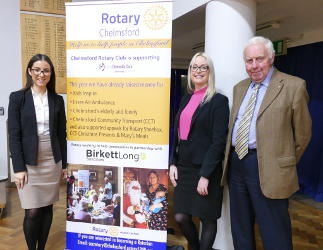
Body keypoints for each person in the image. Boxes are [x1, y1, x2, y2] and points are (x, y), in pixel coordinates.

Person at [221, 36, 312, 250]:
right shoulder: (240, 87)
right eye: (249, 60)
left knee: (274, 231)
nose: (254, 66)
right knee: (240, 228)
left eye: (259, 59)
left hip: (271, 168)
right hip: (237, 164)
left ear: (271, 58)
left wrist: (282, 162)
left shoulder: (293, 86)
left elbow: (303, 135)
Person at [169, 52, 229, 250]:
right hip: (184, 168)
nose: (198, 71)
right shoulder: (186, 99)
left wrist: (206, 175)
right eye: (194, 67)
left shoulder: (218, 101)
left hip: (206, 169)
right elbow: (178, 135)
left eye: (203, 67)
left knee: (207, 218)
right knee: (180, 216)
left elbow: (218, 142)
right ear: (190, 71)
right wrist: (173, 163)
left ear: (210, 72)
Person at [8, 54, 67, 250]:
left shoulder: (57, 100)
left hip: (52, 159)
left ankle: (41, 248)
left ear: (51, 74)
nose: (41, 74)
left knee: (47, 207)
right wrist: (18, 168)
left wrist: (64, 164)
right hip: (28, 161)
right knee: (32, 211)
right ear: (29, 71)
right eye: (37, 70)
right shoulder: (17, 98)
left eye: (46, 70)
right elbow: (14, 135)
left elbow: (61, 134)